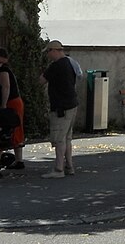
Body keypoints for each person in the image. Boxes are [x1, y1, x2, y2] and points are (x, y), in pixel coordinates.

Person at [39, 40, 78, 179]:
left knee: (59, 139)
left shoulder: (55, 66)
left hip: (60, 107)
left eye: (48, 52)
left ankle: (58, 169)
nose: (48, 55)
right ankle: (69, 166)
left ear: (54, 50)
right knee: (67, 138)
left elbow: (41, 81)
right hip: (72, 104)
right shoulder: (70, 62)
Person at [0, 47, 25, 170]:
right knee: (9, 129)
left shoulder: (3, 71)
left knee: (12, 129)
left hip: (11, 102)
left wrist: (3, 105)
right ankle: (14, 160)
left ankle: (16, 160)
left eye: (1, 62)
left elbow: (6, 87)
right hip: (11, 101)